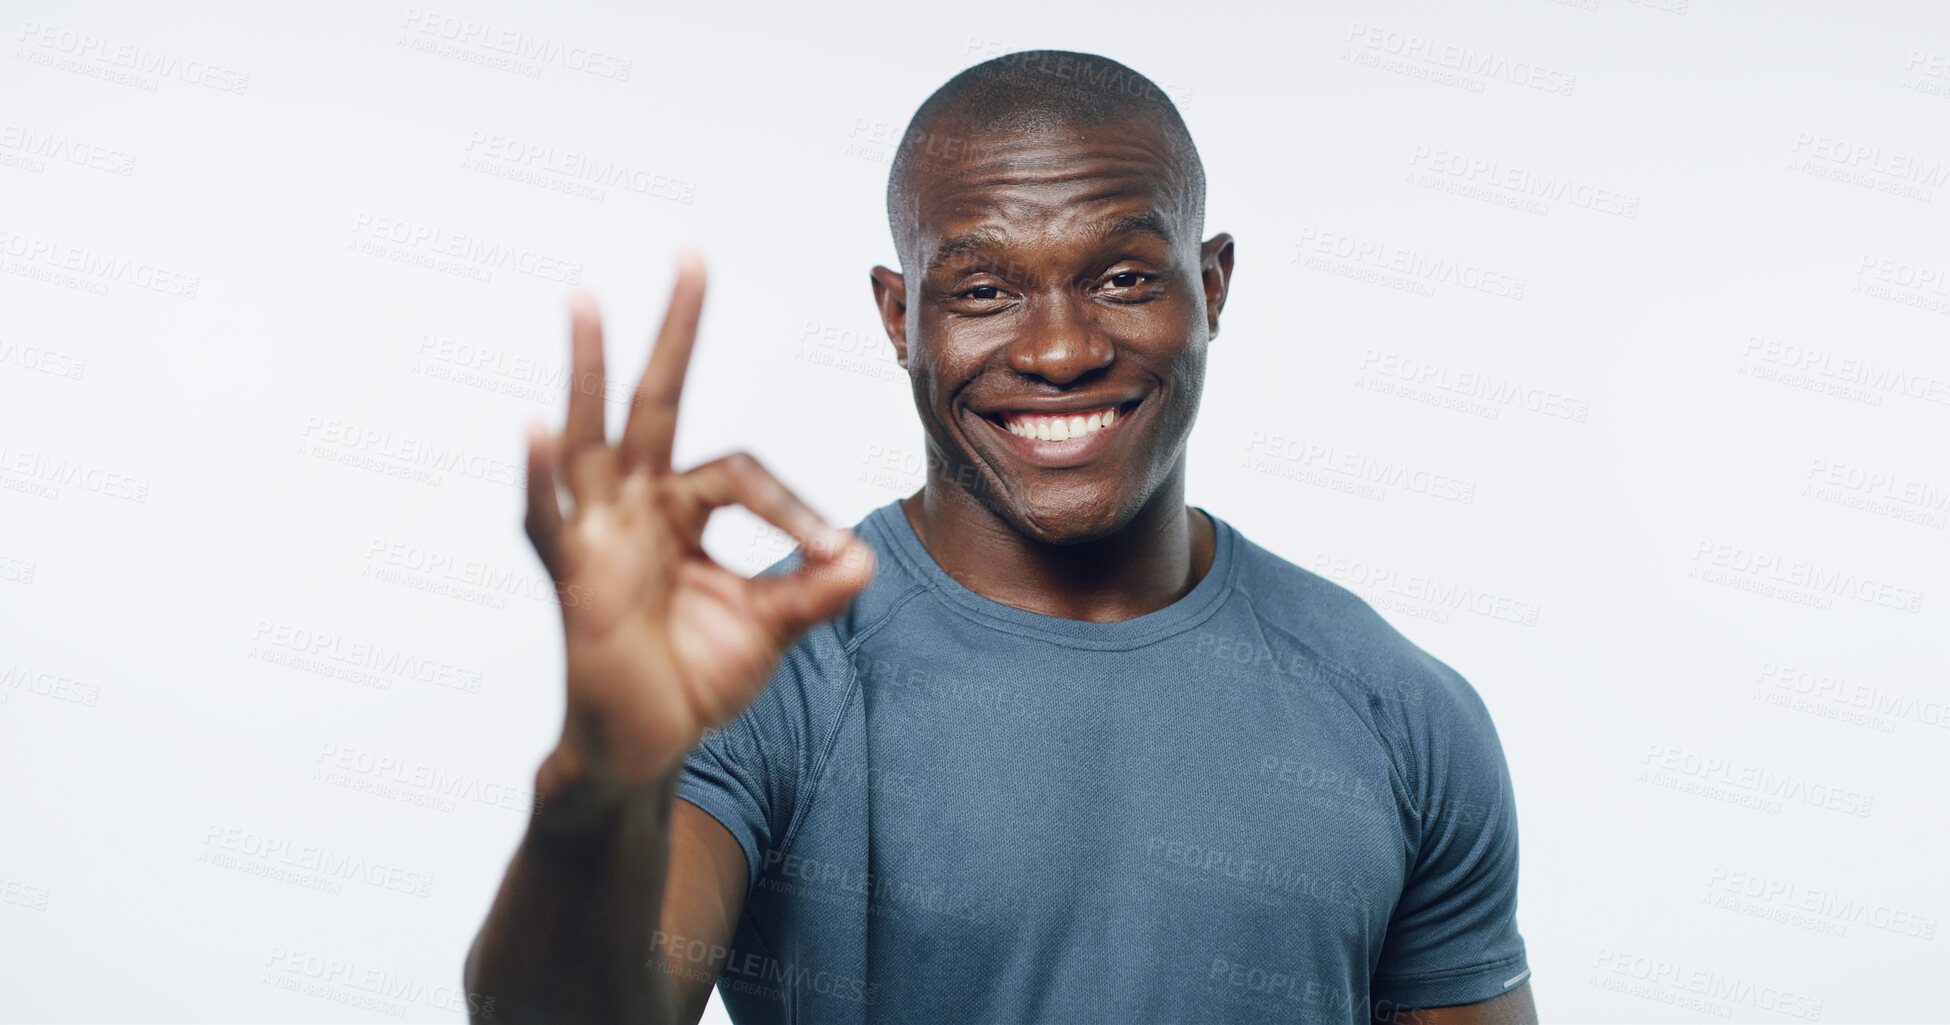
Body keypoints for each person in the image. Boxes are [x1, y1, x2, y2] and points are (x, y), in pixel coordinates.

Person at [465, 49, 1535, 1025]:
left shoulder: (1398, 708)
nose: (1061, 349)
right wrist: (598, 777)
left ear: (1210, 287)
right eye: (983, 290)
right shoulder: (763, 680)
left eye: (1121, 278)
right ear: (899, 317)